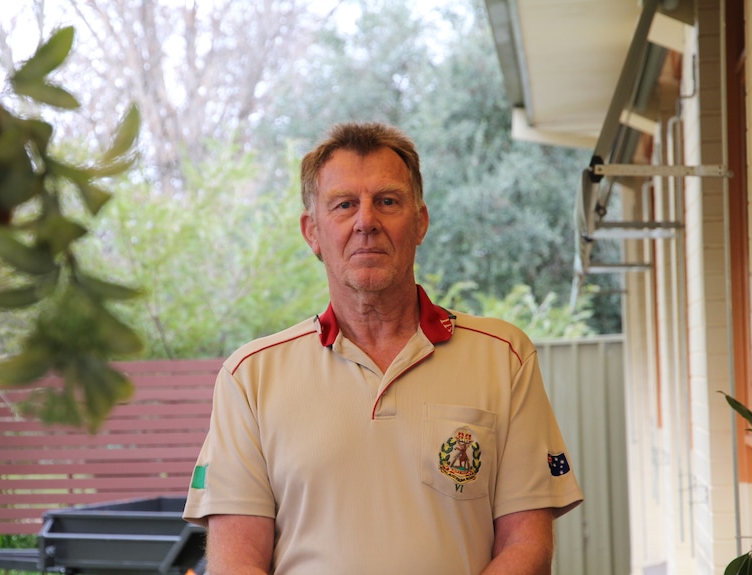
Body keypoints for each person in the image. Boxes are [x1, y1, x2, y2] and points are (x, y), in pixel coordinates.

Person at [182, 121, 583, 574]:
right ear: (312, 232)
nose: (366, 221)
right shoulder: (250, 378)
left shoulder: (504, 357)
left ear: (420, 222)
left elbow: (527, 546)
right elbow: (236, 562)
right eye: (344, 204)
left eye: (387, 201)